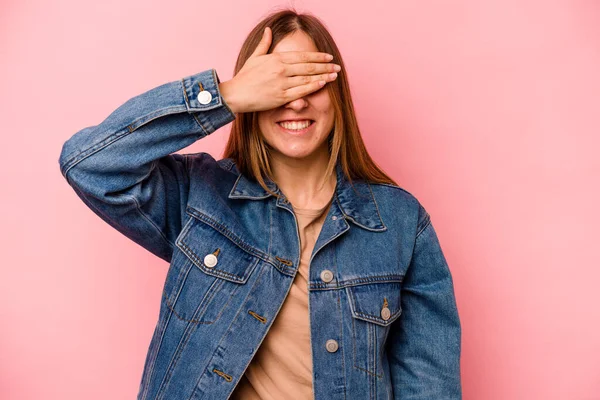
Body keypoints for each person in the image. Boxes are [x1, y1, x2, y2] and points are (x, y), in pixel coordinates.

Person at [58, 8, 462, 400]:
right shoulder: (201, 196)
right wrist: (227, 95)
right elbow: (89, 164)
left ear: (338, 95)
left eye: (311, 81)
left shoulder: (402, 223)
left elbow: (430, 385)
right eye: (280, 82)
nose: (296, 101)